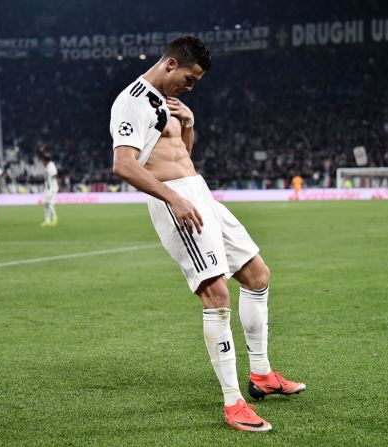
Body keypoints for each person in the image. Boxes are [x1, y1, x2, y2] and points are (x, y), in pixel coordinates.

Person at [110, 36, 304, 433]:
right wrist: (174, 200)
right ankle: (234, 404)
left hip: (197, 191)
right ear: (169, 64)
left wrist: (189, 123)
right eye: (190, 77)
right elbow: (124, 165)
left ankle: (262, 374)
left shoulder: (167, 103)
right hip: (175, 201)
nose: (191, 85)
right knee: (216, 294)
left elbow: (183, 155)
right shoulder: (131, 100)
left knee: (257, 274)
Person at [40, 150, 59, 227]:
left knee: (49, 203)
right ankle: (47, 221)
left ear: (46, 161)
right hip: (48, 188)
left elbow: (55, 175)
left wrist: (55, 188)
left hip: (52, 188)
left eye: (43, 161)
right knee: (46, 204)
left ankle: (55, 218)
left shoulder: (51, 166)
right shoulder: (48, 166)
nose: (42, 163)